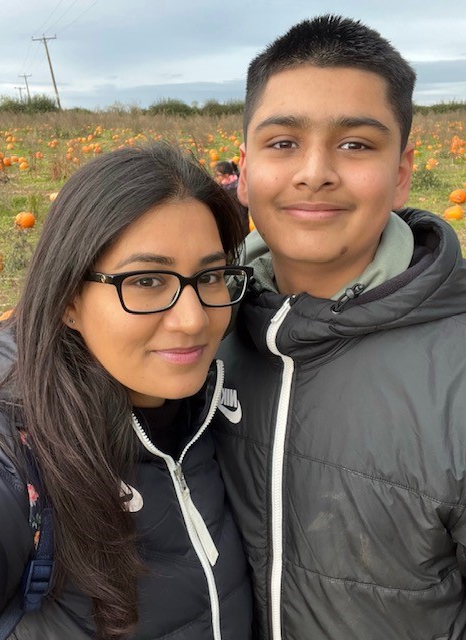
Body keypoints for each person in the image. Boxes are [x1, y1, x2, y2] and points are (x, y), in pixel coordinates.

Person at [212, 13, 466, 639]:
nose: (315, 171)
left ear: (403, 170)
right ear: (242, 169)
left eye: (356, 144)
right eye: (282, 143)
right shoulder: (196, 328)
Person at [0, 143, 253, 640]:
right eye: (147, 280)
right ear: (68, 299)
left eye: (211, 276)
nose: (194, 319)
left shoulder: (217, 408)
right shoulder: (12, 453)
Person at [214, 161, 250, 238]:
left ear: (226, 176)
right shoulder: (239, 183)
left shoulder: (230, 193)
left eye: (217, 175)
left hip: (238, 229)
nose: (215, 178)